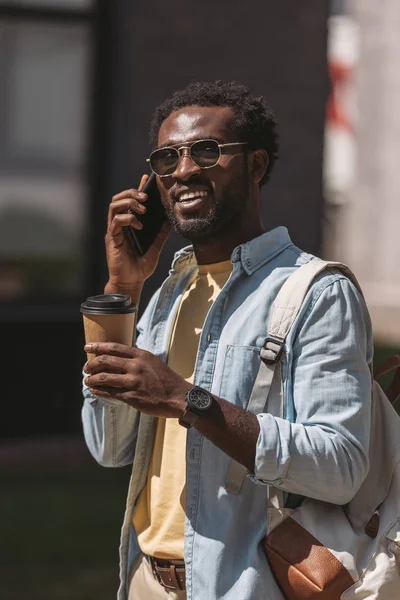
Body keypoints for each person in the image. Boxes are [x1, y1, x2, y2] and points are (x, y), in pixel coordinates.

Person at [81, 80, 372, 600]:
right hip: (146, 579)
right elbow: (109, 446)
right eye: (167, 159)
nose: (184, 170)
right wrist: (123, 289)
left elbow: (341, 466)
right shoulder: (168, 291)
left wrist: (183, 398)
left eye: (206, 152)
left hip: (245, 585)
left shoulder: (316, 292)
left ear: (255, 166)